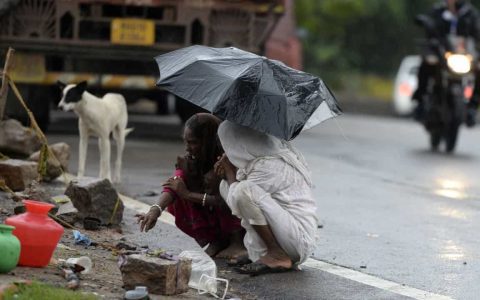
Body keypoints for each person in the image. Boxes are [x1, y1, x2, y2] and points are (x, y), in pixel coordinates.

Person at [214, 121, 318, 275]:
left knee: (242, 191)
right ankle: (259, 253)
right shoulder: (260, 161)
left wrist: (230, 171)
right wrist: (229, 173)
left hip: (298, 240)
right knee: (227, 186)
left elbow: (238, 197)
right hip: (286, 233)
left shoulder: (271, 165)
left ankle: (277, 254)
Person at [136, 113, 246, 259]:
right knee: (178, 193)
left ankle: (237, 243)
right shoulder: (191, 159)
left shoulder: (228, 159)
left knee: (206, 192)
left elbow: (229, 201)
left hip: (240, 217)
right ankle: (217, 240)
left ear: (209, 142)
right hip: (215, 210)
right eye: (186, 142)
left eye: (193, 142)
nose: (188, 148)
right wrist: (155, 210)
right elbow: (175, 181)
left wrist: (188, 194)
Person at [413, 0, 480, 126]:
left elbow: (476, 32)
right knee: (427, 63)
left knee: (478, 69)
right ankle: (420, 101)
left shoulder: (470, 13)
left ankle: (473, 106)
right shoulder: (438, 10)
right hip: (441, 52)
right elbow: (430, 27)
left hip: (462, 55)